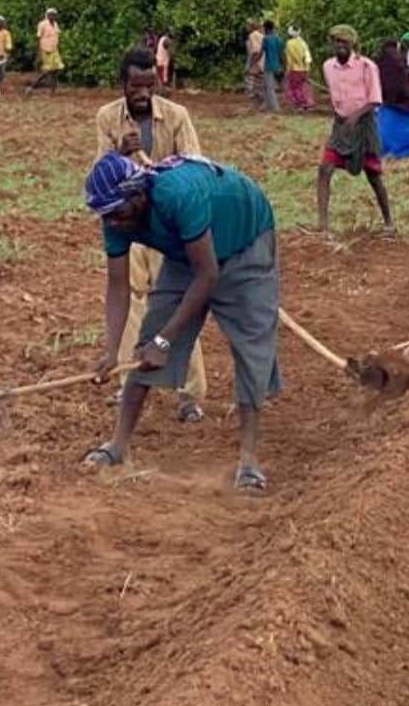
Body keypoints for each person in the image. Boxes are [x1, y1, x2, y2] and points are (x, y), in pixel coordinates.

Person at [83, 151, 281, 492]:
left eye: (117, 212)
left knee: (252, 347)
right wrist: (112, 350)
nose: (113, 222)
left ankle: (249, 460)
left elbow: (207, 275)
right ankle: (117, 446)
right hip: (186, 251)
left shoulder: (177, 195)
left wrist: (165, 341)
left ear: (138, 193)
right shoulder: (114, 216)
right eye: (106, 215)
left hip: (243, 241)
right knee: (146, 340)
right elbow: (117, 284)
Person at [95, 47, 210, 423]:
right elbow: (101, 175)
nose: (143, 93)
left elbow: (193, 169)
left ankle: (189, 394)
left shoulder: (177, 117)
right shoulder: (108, 118)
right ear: (123, 85)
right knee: (128, 300)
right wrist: (120, 154)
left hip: (169, 224)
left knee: (178, 302)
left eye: (149, 85)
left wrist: (148, 163)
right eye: (135, 86)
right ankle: (128, 381)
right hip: (129, 224)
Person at [317, 26, 394, 235]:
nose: (340, 46)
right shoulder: (328, 67)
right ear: (332, 44)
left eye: (345, 42)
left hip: (364, 126)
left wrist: (355, 115)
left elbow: (375, 99)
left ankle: (389, 223)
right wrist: (340, 114)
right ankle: (322, 226)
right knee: (324, 169)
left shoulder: (367, 66)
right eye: (337, 42)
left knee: (373, 176)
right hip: (341, 126)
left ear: (353, 45)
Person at [28, 9, 63, 94]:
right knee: (48, 71)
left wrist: (59, 47)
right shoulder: (42, 24)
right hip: (45, 50)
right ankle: (34, 86)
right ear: (47, 15)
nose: (53, 16)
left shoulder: (55, 24)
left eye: (54, 15)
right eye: (51, 15)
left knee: (57, 69)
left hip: (54, 49)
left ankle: (52, 89)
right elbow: (38, 38)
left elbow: (57, 36)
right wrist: (39, 52)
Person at [283, 26, 315, 111]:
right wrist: (308, 68)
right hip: (304, 69)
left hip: (295, 69)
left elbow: (289, 59)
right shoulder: (303, 42)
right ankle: (307, 104)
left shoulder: (289, 43)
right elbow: (308, 57)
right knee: (303, 86)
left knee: (294, 87)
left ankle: (299, 104)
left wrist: (287, 70)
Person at [261, 20, 284, 113]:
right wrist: (284, 65)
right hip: (277, 65)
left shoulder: (265, 39)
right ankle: (267, 105)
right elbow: (282, 54)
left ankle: (275, 108)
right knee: (267, 86)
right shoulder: (278, 39)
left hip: (268, 66)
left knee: (269, 88)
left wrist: (252, 63)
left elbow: (260, 52)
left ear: (266, 28)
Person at [0, 16, 14, 100]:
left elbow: (9, 44)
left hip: (3, 56)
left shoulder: (6, 33)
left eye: (1, 22)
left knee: (1, 74)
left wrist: (8, 49)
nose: (0, 23)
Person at [245, 22, 266, 110]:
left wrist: (252, 64)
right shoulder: (262, 36)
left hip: (256, 63)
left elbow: (256, 51)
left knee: (251, 84)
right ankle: (262, 104)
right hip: (263, 63)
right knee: (260, 84)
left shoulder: (253, 35)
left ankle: (253, 104)